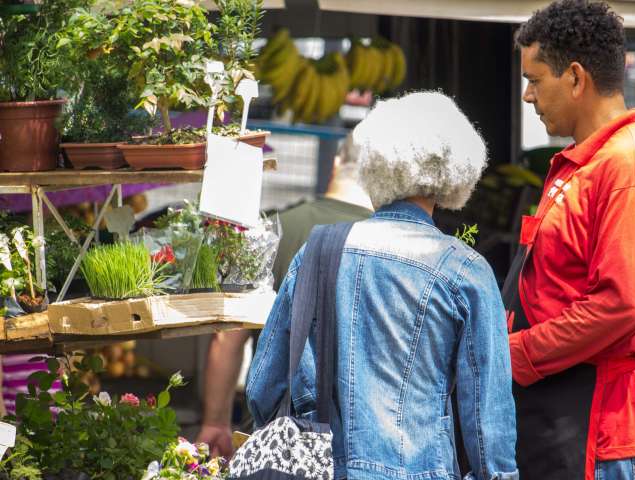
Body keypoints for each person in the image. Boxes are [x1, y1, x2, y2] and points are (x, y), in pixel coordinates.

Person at [246, 91, 518, 480]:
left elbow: (262, 386)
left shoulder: (318, 250)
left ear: (374, 164)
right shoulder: (465, 271)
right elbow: (487, 423)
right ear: (453, 173)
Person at [505, 1, 635, 479]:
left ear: (577, 78)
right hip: (560, 419)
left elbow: (621, 304)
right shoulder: (585, 162)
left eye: (535, 80)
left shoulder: (625, 165)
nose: (527, 95)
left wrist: (514, 355)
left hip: (597, 432)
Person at [195, 134, 373, 457]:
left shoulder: (278, 229)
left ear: (335, 163)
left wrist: (216, 422)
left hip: (276, 442)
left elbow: (228, 338)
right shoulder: (390, 244)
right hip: (361, 445)